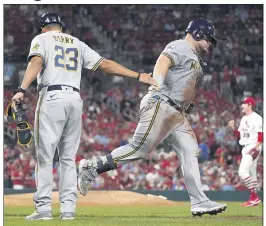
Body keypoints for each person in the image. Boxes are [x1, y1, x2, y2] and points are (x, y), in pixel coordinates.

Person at [11, 12, 157, 221]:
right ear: (60, 26)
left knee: (45, 157)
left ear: (43, 27)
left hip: (52, 96)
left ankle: (43, 209)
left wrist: (21, 89)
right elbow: (105, 65)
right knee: (68, 159)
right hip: (75, 99)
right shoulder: (77, 43)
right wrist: (138, 76)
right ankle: (68, 210)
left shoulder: (41, 39)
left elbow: (35, 62)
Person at [78, 19, 227, 217]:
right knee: (139, 149)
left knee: (191, 151)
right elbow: (164, 61)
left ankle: (199, 201)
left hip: (176, 113)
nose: (210, 43)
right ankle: (92, 167)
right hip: (161, 103)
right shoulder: (180, 45)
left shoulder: (196, 58)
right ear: (198, 33)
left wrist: (186, 102)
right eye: (208, 38)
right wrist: (157, 81)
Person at [228, 96, 263, 207]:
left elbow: (261, 135)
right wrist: (233, 128)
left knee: (242, 172)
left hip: (253, 145)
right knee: (252, 173)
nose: (242, 105)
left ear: (249, 105)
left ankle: (254, 197)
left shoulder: (257, 118)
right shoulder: (244, 119)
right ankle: (254, 199)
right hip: (246, 146)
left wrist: (256, 147)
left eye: (244, 103)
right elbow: (240, 136)